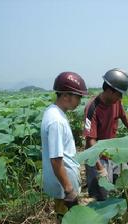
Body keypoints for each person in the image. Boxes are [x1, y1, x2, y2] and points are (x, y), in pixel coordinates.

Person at [83, 68, 128, 201]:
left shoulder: (116, 102)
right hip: (97, 157)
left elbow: (125, 117)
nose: (121, 98)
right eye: (119, 94)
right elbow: (90, 141)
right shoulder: (92, 108)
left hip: (113, 153)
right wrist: (100, 169)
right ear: (110, 90)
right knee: (102, 198)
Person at [41, 72, 87, 220]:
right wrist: (69, 189)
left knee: (63, 217)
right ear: (66, 95)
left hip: (62, 183)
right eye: (78, 96)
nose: (79, 101)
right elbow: (56, 159)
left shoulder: (53, 111)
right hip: (64, 186)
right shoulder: (56, 121)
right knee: (67, 219)